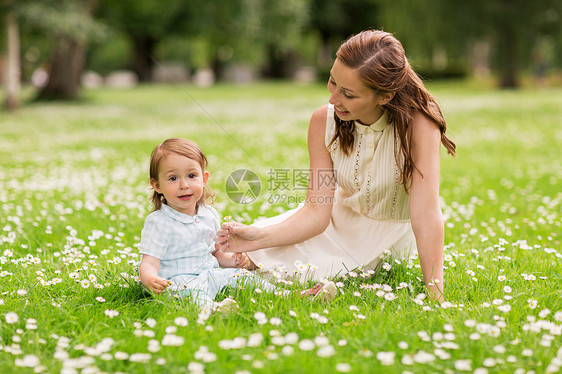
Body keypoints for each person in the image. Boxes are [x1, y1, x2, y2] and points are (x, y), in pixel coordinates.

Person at [216, 30, 456, 300]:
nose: (333, 99)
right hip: (333, 222)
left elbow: (425, 216)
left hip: (382, 239)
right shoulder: (324, 120)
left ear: (384, 96)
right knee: (231, 252)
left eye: (349, 95)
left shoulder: (420, 125)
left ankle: (283, 289)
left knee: (303, 267)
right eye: (332, 82)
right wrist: (258, 237)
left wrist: (436, 296)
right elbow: (315, 213)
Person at [138, 138, 336, 310]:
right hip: (178, 281)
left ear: (204, 178)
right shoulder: (159, 222)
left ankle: (292, 296)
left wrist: (233, 260)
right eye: (173, 178)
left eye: (192, 176)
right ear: (157, 186)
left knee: (244, 277)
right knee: (191, 294)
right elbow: (149, 262)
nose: (184, 185)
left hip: (211, 274)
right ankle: (210, 310)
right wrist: (150, 279)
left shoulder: (208, 215)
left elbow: (215, 253)